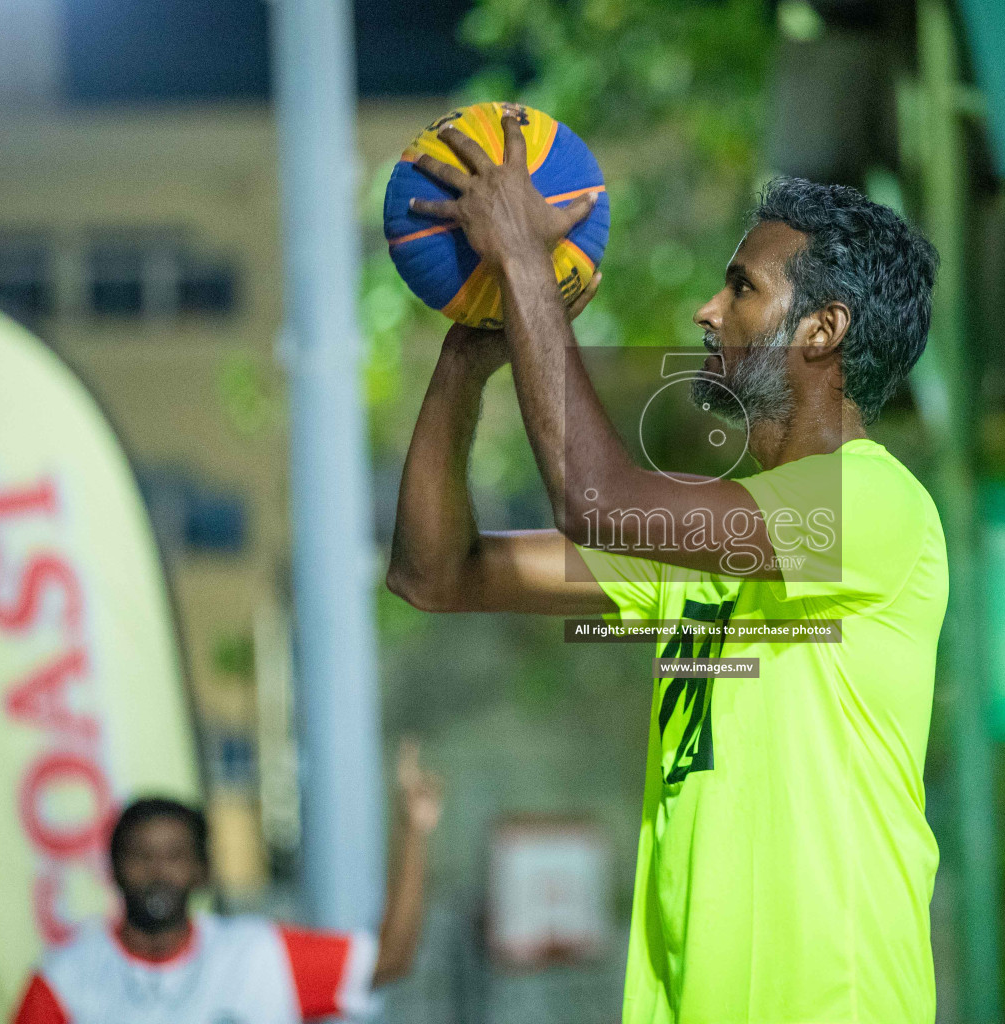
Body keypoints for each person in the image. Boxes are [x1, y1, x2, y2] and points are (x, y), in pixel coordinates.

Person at [390, 109, 947, 1024]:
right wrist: (466, 355)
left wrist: (529, 260)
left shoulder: (878, 510)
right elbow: (434, 575)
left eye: (743, 288)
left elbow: (596, 496)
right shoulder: (699, 559)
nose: (708, 310)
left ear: (822, 330)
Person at [12, 740, 444, 1024]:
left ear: (202, 870)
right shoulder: (65, 979)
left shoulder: (258, 957)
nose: (158, 872)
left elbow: (390, 959)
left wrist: (413, 831)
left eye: (175, 856)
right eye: (141, 856)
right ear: (113, 868)